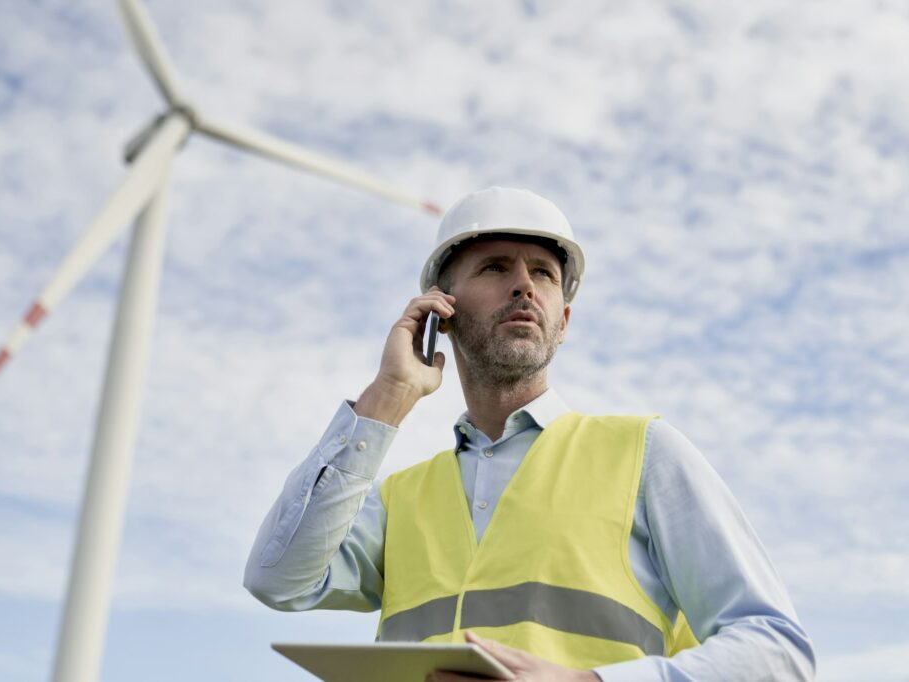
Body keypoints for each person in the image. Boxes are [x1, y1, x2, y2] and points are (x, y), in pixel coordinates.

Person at [244, 187, 815, 680]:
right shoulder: (400, 499)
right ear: (441, 312)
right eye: (495, 267)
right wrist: (388, 396)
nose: (525, 286)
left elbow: (777, 652)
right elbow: (277, 579)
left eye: (543, 274)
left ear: (563, 321)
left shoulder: (643, 453)